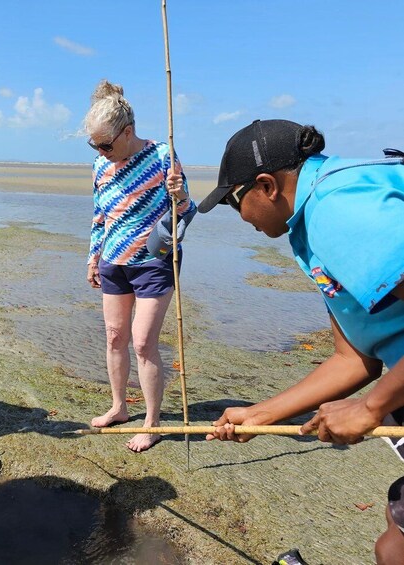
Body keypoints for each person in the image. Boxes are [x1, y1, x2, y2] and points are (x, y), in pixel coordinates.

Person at [198, 119, 404, 564]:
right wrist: (260, 415)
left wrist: (371, 407)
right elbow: (353, 358)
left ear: (267, 185)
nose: (241, 219)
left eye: (236, 204)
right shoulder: (311, 219)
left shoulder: (340, 210)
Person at [83, 79, 196, 452]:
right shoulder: (100, 165)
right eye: (94, 145)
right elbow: (100, 217)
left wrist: (180, 196)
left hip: (153, 262)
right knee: (115, 337)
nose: (100, 151)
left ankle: (152, 422)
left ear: (127, 132)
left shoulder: (163, 155)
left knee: (144, 342)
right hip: (114, 261)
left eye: (105, 144)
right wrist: (93, 257)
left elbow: (187, 213)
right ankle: (118, 407)